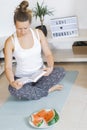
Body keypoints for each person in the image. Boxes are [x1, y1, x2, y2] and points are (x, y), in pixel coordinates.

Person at [4, 0, 66, 100]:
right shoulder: (10, 42)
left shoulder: (38, 33)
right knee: (13, 89)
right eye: (19, 28)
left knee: (60, 71)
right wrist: (12, 82)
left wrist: (50, 67)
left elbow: (48, 54)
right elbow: (8, 68)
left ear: (30, 24)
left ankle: (34, 92)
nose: (23, 31)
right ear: (15, 25)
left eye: (25, 28)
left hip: (40, 74)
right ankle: (48, 90)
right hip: (23, 79)